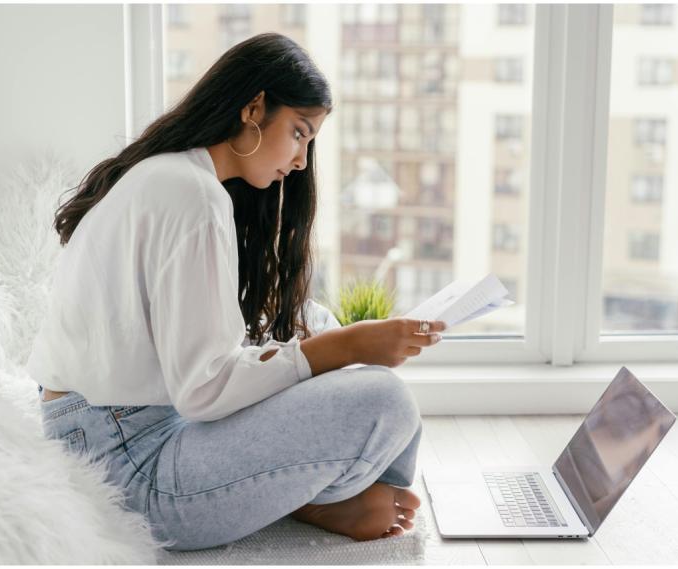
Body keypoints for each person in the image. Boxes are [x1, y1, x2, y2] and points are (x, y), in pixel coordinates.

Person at [26, 32, 446, 551]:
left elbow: (197, 371)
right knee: (385, 399)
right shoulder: (190, 194)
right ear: (253, 109)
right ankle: (324, 498)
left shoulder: (174, 178)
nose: (299, 161)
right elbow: (203, 392)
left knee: (361, 382)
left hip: (110, 433)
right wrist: (343, 347)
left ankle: (336, 494)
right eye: (299, 132)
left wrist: (326, 354)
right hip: (130, 467)